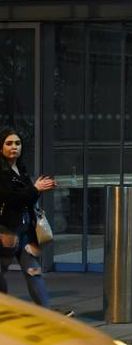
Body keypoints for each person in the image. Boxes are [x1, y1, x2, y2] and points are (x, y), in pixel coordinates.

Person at [0, 129, 70, 314]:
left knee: (34, 272)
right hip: (5, 232)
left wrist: (38, 188)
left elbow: (26, 200)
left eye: (17, 143)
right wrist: (35, 188)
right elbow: (12, 199)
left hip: (22, 231)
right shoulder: (2, 173)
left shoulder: (19, 169)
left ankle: (46, 313)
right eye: (8, 143)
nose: (14, 147)